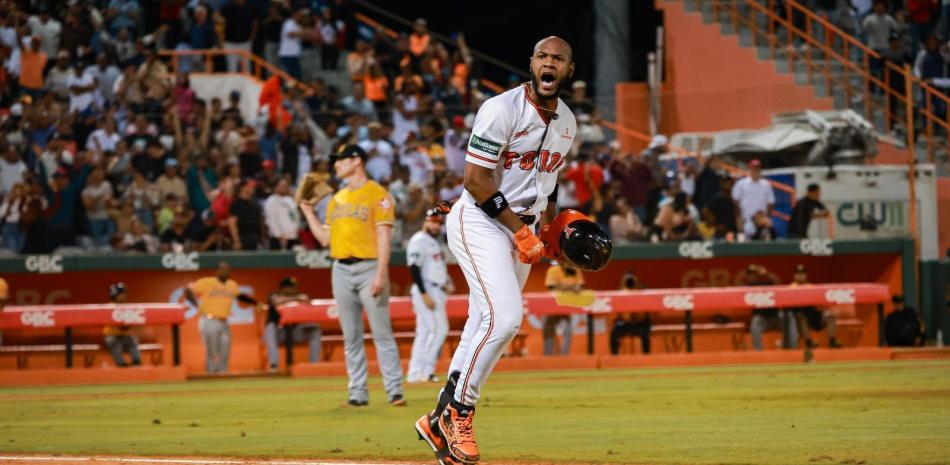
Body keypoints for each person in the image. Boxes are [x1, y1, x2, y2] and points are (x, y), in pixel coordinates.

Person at [414, 36, 577, 465]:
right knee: (505, 319)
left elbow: (550, 180)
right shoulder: (501, 108)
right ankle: (459, 413)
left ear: (569, 70)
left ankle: (435, 419)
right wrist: (519, 232)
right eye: (542, 56)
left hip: (521, 225)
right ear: (531, 63)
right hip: (482, 221)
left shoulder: (568, 123)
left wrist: (549, 229)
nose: (549, 63)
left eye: (558, 59)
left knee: (482, 324)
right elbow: (476, 180)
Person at [299, 144, 405, 407]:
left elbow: (384, 236)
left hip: (370, 267)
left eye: (340, 159)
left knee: (382, 332)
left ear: (357, 160)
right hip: (341, 268)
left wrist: (381, 274)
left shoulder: (378, 194)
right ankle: (357, 393)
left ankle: (394, 391)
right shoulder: (336, 200)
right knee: (351, 335)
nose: (336, 164)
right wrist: (307, 212)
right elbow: (324, 238)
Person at [184, 262, 257, 374]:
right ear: (217, 271)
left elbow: (240, 296)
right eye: (223, 270)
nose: (226, 272)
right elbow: (188, 290)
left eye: (228, 270)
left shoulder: (232, 284)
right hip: (209, 320)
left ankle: (223, 372)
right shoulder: (207, 282)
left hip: (224, 321)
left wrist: (255, 303)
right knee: (211, 349)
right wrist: (196, 304)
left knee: (225, 347)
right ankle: (211, 373)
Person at [407, 206, 452, 384]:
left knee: (425, 332)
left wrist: (447, 282)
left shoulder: (433, 242)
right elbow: (414, 267)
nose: (436, 226)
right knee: (439, 329)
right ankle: (426, 371)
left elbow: (436, 267)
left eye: (439, 223)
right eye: (433, 222)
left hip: (435, 288)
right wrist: (424, 293)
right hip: (426, 289)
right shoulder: (419, 240)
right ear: (425, 221)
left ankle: (415, 373)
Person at [261, 277, 321, 371]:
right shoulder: (273, 295)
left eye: (294, 287)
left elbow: (307, 300)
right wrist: (295, 299)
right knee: (270, 328)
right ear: (283, 288)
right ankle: (274, 365)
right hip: (280, 333)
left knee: (315, 329)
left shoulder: (301, 295)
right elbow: (276, 301)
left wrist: (295, 299)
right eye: (291, 287)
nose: (294, 289)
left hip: (296, 332)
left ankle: (314, 364)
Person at [788, 265, 841, 350]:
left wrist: (822, 308)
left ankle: (832, 342)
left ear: (806, 275)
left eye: (802, 274)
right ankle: (808, 343)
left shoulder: (811, 286)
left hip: (814, 315)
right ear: (794, 276)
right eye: (798, 274)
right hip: (799, 318)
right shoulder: (791, 287)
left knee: (830, 315)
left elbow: (820, 304)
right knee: (802, 317)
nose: (800, 276)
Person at [747, 264, 799, 351]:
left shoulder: (766, 283)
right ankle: (758, 352)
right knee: (755, 322)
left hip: (775, 316)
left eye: (754, 274)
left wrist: (767, 273)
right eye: (750, 274)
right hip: (762, 319)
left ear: (757, 275)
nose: (752, 276)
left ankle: (793, 348)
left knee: (789, 316)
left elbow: (778, 282)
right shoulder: (748, 287)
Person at [543, 261, 584, 356]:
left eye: (573, 264)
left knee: (568, 330)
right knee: (548, 331)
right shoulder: (553, 270)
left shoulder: (576, 271)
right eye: (569, 264)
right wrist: (570, 287)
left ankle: (564, 358)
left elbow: (579, 289)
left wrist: (562, 287)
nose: (572, 266)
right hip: (552, 306)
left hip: (566, 307)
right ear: (563, 263)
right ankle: (548, 357)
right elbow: (552, 288)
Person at [609, 269, 651, 355]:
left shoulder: (641, 288)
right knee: (614, 333)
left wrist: (636, 283)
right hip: (625, 323)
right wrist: (623, 283)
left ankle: (647, 357)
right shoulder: (621, 290)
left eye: (631, 277)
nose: (629, 280)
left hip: (640, 322)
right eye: (627, 278)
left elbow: (646, 295)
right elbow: (615, 301)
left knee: (645, 334)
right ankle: (614, 356)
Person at [731, 159, 774, 238]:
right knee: (744, 242)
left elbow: (771, 203)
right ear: (749, 170)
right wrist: (739, 217)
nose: (755, 171)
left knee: (764, 242)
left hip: (761, 221)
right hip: (746, 219)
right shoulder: (741, 183)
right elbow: (735, 201)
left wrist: (767, 217)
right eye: (753, 169)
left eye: (757, 169)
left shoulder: (766, 184)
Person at [103, 282, 142, 367]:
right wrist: (122, 326)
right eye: (120, 294)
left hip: (125, 336)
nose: (123, 296)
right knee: (115, 342)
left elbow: (130, 323)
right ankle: (121, 365)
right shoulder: (109, 306)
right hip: (112, 336)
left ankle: (136, 363)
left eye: (124, 293)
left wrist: (127, 325)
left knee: (133, 340)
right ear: (114, 295)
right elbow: (114, 324)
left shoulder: (126, 307)